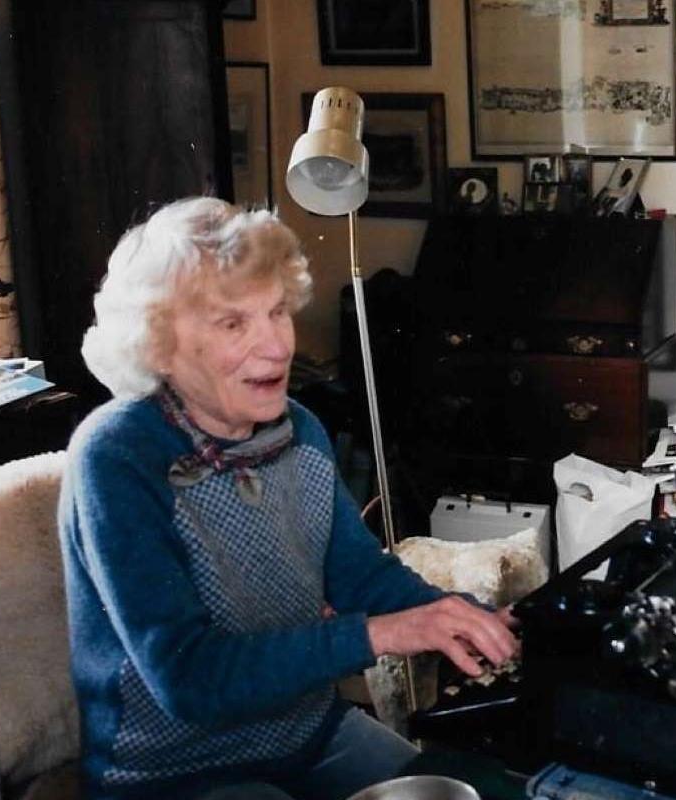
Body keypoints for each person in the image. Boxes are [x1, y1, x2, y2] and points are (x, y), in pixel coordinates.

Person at [62, 197, 518, 800]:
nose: (277, 347)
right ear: (160, 346)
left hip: (304, 733)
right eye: (234, 324)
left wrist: (461, 616)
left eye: (277, 311)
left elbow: (360, 576)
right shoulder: (118, 456)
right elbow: (188, 679)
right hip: (171, 771)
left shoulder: (297, 430)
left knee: (472, 790)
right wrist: (381, 635)